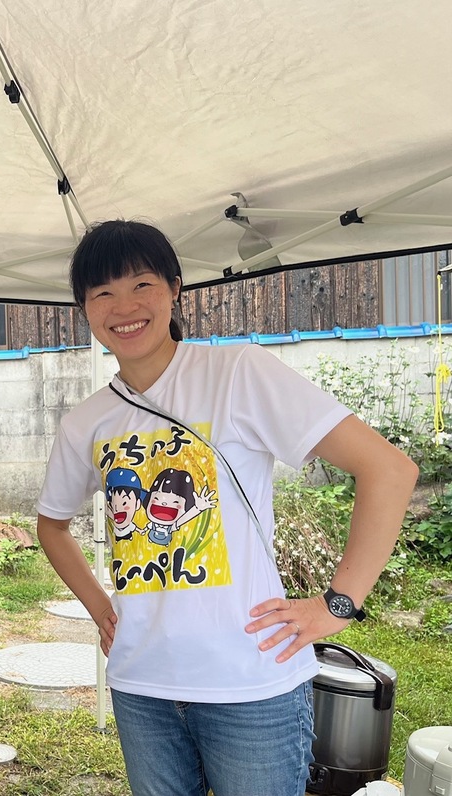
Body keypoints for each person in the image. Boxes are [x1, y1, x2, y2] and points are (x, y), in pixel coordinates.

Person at [35, 219, 417, 796]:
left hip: (250, 685)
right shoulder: (87, 421)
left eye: (142, 284)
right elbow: (52, 524)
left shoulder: (238, 373)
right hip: (142, 687)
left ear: (174, 289)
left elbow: (388, 469)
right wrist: (99, 608)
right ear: (85, 309)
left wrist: (338, 605)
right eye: (103, 292)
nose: (124, 307)